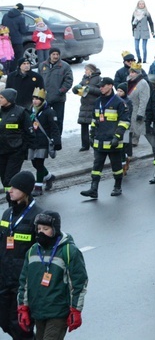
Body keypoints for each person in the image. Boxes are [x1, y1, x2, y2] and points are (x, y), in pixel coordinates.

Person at [17, 211, 88, 339]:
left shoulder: (69, 251)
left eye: (46, 228)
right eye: (38, 228)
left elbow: (79, 283)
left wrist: (75, 310)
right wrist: (23, 307)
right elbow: (24, 282)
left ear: (55, 229)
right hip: (38, 312)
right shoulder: (32, 251)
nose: (41, 232)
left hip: (58, 312)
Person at [0, 172, 41, 340]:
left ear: (25, 191)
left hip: (22, 282)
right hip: (3, 278)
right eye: (10, 186)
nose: (10, 190)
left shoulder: (37, 216)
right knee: (4, 321)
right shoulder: (6, 214)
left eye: (15, 188)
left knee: (21, 326)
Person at [79, 77, 130, 199]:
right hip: (99, 141)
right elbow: (94, 120)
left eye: (103, 86)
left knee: (116, 167)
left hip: (113, 142)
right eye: (100, 86)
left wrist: (117, 137)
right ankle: (93, 189)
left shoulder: (119, 102)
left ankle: (117, 187)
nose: (100, 88)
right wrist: (91, 135)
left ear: (110, 86)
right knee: (96, 167)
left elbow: (125, 122)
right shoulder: (98, 101)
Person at [27, 88, 61, 196]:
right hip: (33, 141)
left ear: (42, 100)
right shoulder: (30, 110)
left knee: (39, 163)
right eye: (34, 98)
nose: (35, 101)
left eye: (38, 99)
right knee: (34, 163)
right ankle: (49, 177)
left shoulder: (49, 112)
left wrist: (57, 141)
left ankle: (38, 187)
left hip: (43, 141)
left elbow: (54, 128)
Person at [0, 89, 34, 193]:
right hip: (1, 152)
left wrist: (23, 149)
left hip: (15, 152)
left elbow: (30, 133)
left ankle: (14, 202)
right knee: (4, 180)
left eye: (1, 97)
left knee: (9, 179)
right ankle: (12, 198)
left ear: (9, 99)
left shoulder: (21, 112)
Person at [39, 48, 72, 135]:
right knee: (44, 118)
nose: (55, 56)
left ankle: (58, 137)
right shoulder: (42, 65)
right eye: (53, 54)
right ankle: (46, 136)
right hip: (45, 98)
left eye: (57, 54)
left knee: (58, 119)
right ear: (50, 55)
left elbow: (68, 81)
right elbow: (39, 80)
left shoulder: (65, 66)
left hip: (58, 98)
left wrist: (61, 91)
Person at [71, 64, 101, 152]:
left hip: (94, 106)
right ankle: (85, 145)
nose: (85, 72)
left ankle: (95, 143)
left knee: (95, 126)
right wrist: (75, 89)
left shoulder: (98, 79)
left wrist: (90, 89)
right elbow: (75, 89)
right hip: (84, 106)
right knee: (83, 125)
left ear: (91, 71)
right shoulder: (84, 79)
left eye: (86, 70)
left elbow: (101, 91)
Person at [1, 4, 26, 73]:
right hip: (17, 41)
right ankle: (16, 72)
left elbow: (3, 26)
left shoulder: (5, 15)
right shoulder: (21, 18)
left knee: (7, 57)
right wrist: (27, 27)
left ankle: (7, 71)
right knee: (18, 57)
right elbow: (23, 31)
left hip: (6, 40)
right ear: (21, 10)